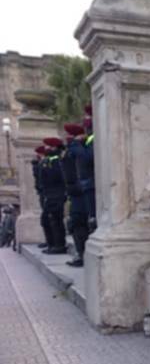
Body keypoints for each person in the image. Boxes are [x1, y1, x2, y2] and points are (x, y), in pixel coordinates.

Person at [61, 123, 89, 267]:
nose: (66, 137)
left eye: (69, 135)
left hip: (80, 192)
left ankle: (83, 255)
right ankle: (80, 254)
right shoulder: (72, 149)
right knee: (76, 224)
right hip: (75, 192)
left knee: (79, 223)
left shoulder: (77, 148)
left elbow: (82, 166)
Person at [39, 137, 68, 255]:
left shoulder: (57, 161)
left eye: (48, 146)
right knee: (46, 220)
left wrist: (45, 167)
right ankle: (52, 244)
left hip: (57, 195)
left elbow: (58, 177)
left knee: (55, 220)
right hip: (50, 195)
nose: (46, 148)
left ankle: (59, 245)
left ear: (54, 147)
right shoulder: (49, 161)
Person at [78, 107, 96, 234]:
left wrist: (79, 147)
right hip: (87, 181)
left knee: (93, 215)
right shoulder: (88, 140)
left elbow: (88, 158)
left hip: (91, 180)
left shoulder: (93, 139)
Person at [31, 146, 53, 250]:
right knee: (45, 219)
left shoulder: (46, 163)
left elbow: (42, 178)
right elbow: (37, 177)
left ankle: (51, 242)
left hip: (47, 193)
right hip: (43, 193)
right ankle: (49, 241)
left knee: (48, 218)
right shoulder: (40, 164)